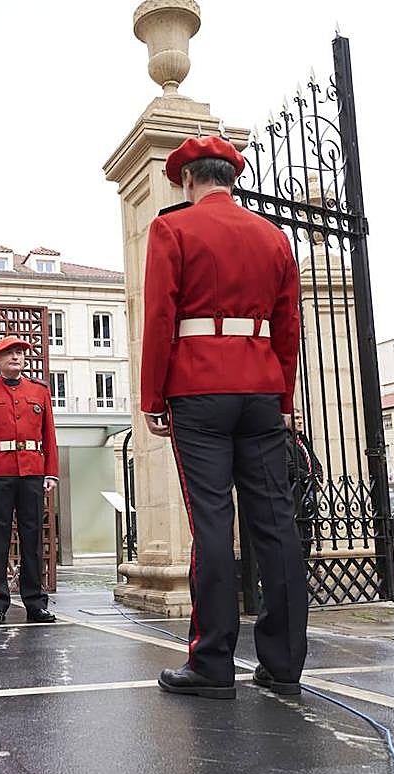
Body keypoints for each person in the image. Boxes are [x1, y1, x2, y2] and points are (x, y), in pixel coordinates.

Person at [141, 136, 307, 700]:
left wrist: (153, 397)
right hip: (260, 388)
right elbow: (288, 323)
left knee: (212, 521)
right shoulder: (273, 236)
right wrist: (282, 399)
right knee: (275, 523)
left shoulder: (172, 229)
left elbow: (159, 318)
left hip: (198, 387)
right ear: (231, 177)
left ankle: (212, 662)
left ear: (188, 179)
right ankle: (284, 664)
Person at [0, 336, 59, 626]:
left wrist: (51, 472)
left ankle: (35, 603)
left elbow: (49, 434)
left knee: (33, 539)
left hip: (32, 471)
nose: (16, 357)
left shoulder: (39, 390)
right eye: (9, 354)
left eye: (19, 353)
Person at [287, 408, 323, 558]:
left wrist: (318, 476)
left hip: (308, 491)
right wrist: (308, 477)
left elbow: (315, 462)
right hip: (296, 491)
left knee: (307, 529)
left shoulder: (303, 441)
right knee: (298, 530)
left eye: (301, 418)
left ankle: (305, 562)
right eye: (296, 418)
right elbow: (289, 466)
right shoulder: (285, 441)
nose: (300, 421)